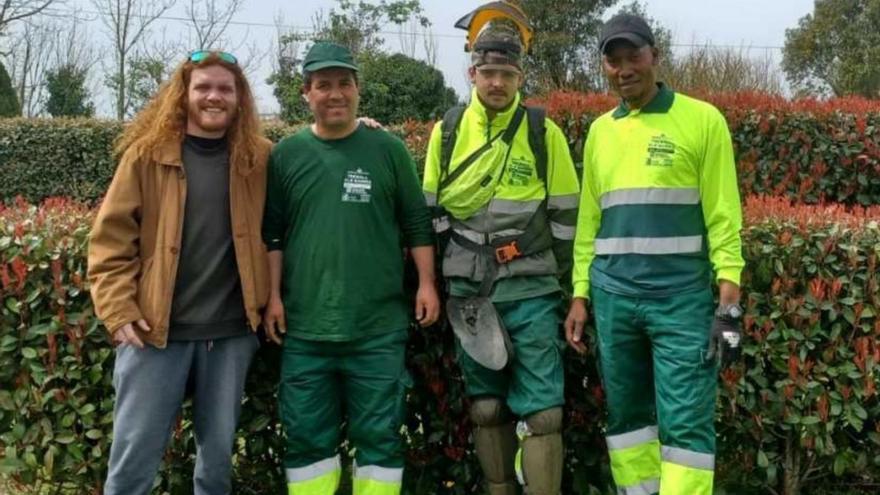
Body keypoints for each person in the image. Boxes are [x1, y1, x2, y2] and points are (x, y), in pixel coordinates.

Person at [564, 13, 745, 495]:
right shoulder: (601, 132)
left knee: (686, 427)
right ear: (604, 67)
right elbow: (589, 223)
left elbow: (724, 217)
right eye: (613, 60)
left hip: (680, 300)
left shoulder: (703, 120)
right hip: (613, 298)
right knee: (627, 420)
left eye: (634, 56)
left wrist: (729, 307)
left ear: (654, 56)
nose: (624, 68)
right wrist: (580, 295)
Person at [87, 50, 272, 495]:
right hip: (154, 333)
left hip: (230, 335)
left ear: (239, 98)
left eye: (225, 88)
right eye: (203, 87)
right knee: (133, 461)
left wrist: (360, 132)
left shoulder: (260, 158)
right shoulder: (146, 156)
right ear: (183, 93)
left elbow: (317, 154)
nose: (214, 96)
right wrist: (117, 309)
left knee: (216, 466)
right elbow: (109, 240)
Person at [261, 41, 439, 495]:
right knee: (305, 443)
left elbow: (415, 221)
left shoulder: (388, 149)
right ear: (306, 93)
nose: (334, 93)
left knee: (380, 441)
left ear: (359, 90)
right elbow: (273, 232)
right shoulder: (286, 155)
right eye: (323, 85)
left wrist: (426, 284)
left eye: (344, 83)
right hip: (305, 329)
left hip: (377, 327)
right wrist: (274, 297)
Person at [422, 3, 580, 493]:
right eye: (488, 72)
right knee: (485, 407)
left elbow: (566, 215)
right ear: (472, 72)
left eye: (506, 74)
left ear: (520, 76)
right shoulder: (446, 131)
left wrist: (563, 281)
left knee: (544, 413)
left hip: (531, 288)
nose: (496, 83)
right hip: (469, 289)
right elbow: (430, 212)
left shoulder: (542, 132)